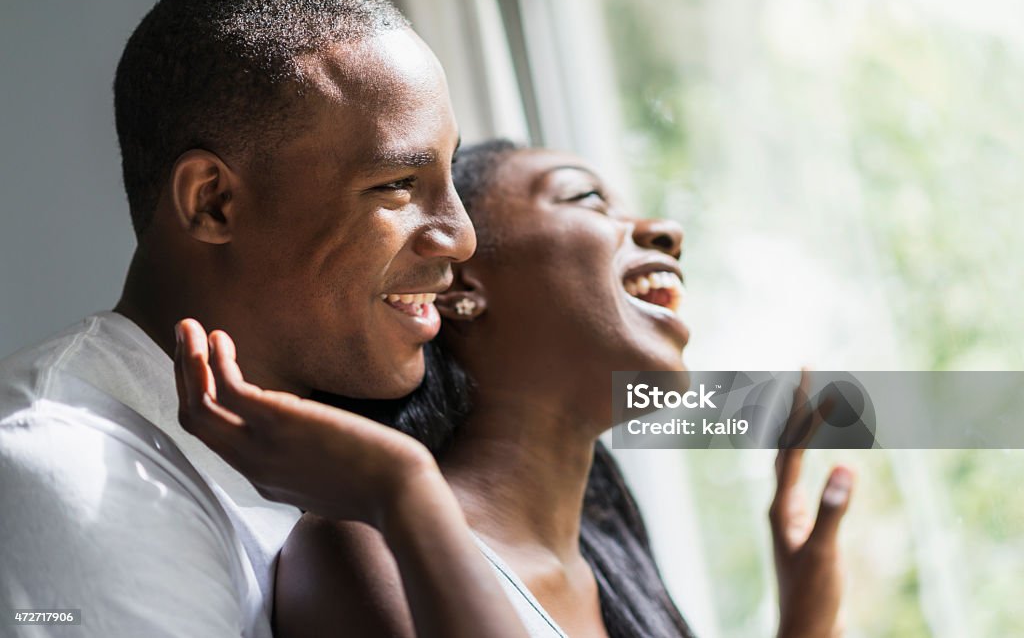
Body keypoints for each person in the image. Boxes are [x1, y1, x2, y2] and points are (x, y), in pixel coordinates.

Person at [0, 0, 529, 637]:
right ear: (213, 202)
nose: (460, 237)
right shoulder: (61, 463)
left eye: (449, 173)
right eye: (398, 183)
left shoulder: (347, 455)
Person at [188, 141, 857, 636]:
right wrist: (405, 491)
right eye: (586, 197)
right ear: (462, 287)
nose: (664, 232)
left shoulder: (614, 574)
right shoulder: (367, 549)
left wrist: (805, 621)